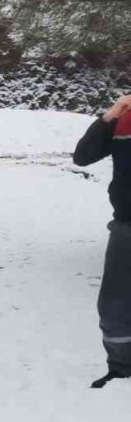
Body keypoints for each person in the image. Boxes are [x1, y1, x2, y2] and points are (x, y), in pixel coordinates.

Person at [73, 93, 131, 387]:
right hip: (127, 225)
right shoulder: (125, 120)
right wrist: (111, 116)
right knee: (115, 305)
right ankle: (121, 365)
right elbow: (83, 156)